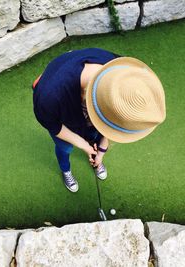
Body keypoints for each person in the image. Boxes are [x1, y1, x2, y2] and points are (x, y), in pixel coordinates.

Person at [32, 48, 166, 193]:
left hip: (83, 110)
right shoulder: (49, 98)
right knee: (65, 147)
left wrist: (101, 151)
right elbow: (54, 126)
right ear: (92, 102)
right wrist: (83, 145)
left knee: (95, 136)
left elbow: (115, 120)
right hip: (63, 119)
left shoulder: (123, 74)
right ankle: (66, 170)